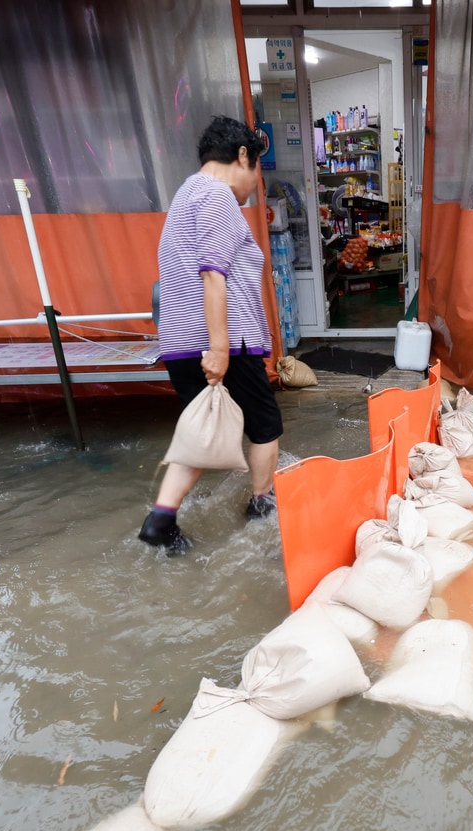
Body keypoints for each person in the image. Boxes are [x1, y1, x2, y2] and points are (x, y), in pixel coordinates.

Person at [138, 115, 282, 555]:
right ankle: (263, 508)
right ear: (243, 156)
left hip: (180, 340)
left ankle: (161, 518)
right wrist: (219, 348)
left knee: (203, 429)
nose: (255, 183)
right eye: (256, 169)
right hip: (224, 343)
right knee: (264, 425)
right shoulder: (219, 197)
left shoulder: (184, 196)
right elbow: (212, 275)